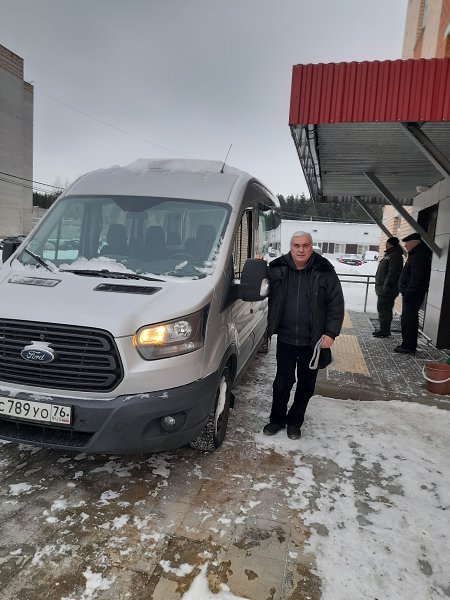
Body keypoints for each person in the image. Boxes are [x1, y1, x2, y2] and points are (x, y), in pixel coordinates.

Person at [263, 232, 344, 440]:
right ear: (290, 247)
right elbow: (258, 289)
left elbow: (336, 304)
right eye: (296, 245)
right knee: (282, 382)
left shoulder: (324, 271)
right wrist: (257, 268)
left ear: (311, 247)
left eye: (305, 245)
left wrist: (330, 333)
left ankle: (294, 422)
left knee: (306, 385)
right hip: (286, 339)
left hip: (313, 341)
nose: (301, 249)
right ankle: (277, 419)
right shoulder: (277, 268)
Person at [395, 232, 432, 354]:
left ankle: (408, 347)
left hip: (413, 295)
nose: (405, 246)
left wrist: (408, 294)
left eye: (407, 243)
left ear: (414, 243)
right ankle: (406, 344)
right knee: (407, 320)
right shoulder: (416, 254)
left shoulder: (419, 255)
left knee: (409, 321)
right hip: (412, 294)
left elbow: (416, 278)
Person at [372, 237, 404, 338]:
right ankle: (384, 329)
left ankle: (384, 331)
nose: (386, 246)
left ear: (392, 245)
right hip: (384, 288)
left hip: (387, 289)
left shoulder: (395, 256)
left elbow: (393, 273)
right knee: (383, 309)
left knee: (384, 309)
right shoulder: (390, 254)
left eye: (388, 244)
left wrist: (386, 287)